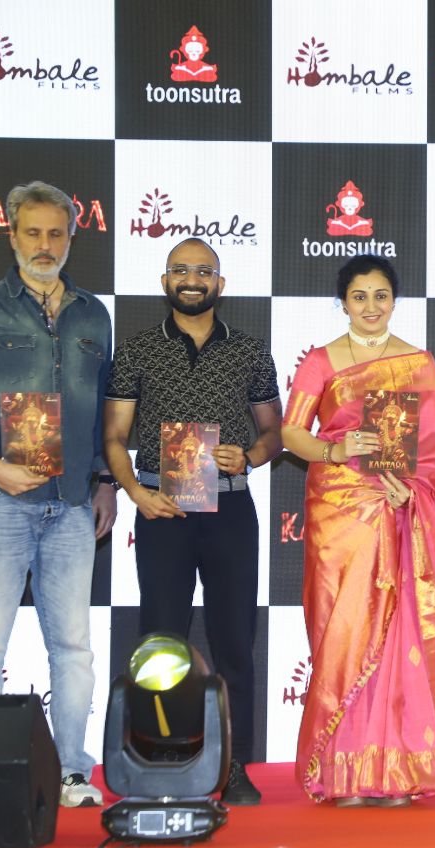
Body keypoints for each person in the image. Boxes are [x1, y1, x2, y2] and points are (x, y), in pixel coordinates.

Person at [0, 180, 116, 807]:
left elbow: (104, 412)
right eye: (33, 232)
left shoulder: (93, 314)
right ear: (11, 235)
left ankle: (72, 773)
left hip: (71, 505)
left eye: (56, 234)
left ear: (70, 239)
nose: (45, 245)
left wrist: (106, 481)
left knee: (74, 649)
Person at [102, 238, 281, 806]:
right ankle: (160, 759)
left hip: (229, 508)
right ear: (164, 281)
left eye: (204, 271)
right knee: (160, 641)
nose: (192, 279)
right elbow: (113, 437)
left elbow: (273, 433)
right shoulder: (135, 351)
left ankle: (235, 765)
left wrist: (249, 456)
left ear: (219, 284)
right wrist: (135, 493)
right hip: (163, 509)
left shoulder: (250, 351)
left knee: (234, 643)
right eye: (180, 269)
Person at [281, 254, 435, 807]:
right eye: (360, 297)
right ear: (344, 303)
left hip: (399, 515)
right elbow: (291, 433)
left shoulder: (418, 363)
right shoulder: (321, 361)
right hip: (340, 517)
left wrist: (414, 491)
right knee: (344, 633)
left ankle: (394, 770)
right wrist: (334, 449)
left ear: (394, 301)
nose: (371, 306)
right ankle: (340, 772)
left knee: (398, 635)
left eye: (381, 296)